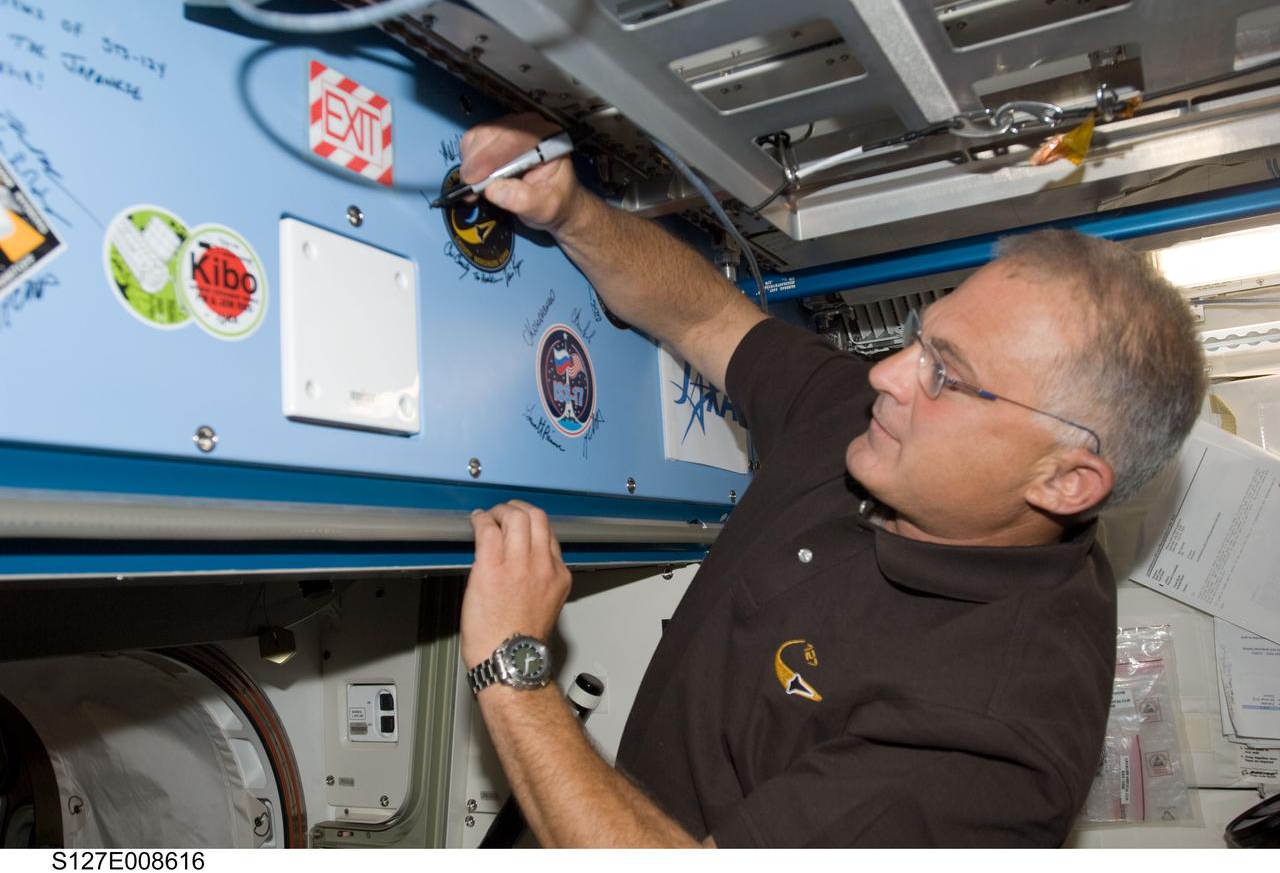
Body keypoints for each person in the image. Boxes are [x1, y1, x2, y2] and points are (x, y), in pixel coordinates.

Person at [457, 114, 1207, 847]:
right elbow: (709, 320)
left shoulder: (990, 747)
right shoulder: (878, 422)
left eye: (946, 373)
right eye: (921, 339)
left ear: (1065, 481)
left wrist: (510, 661)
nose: (885, 376)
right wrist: (572, 211)